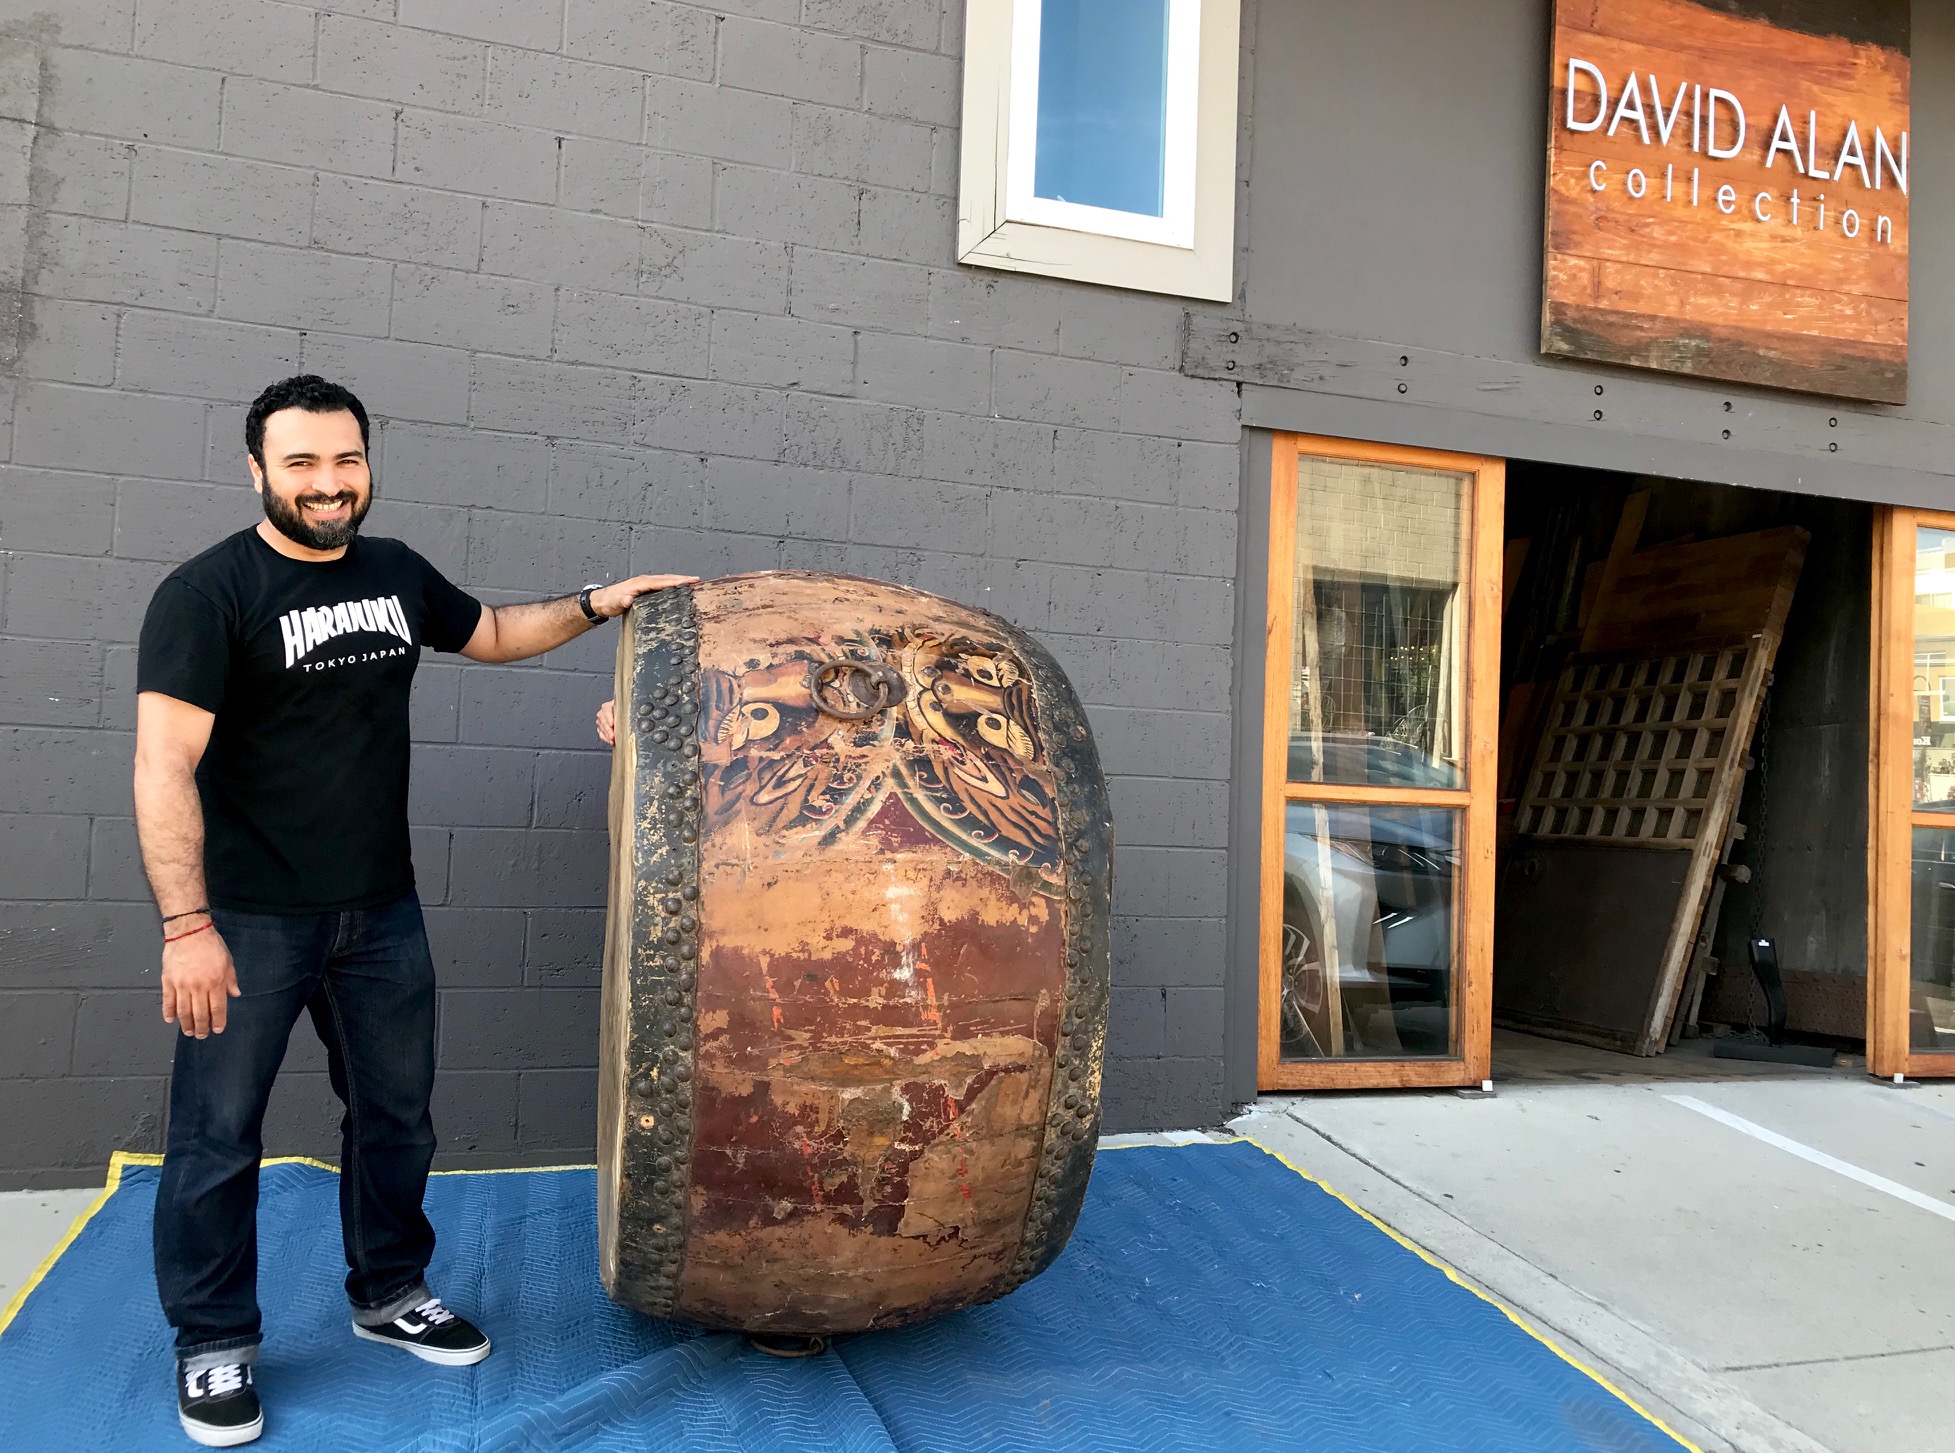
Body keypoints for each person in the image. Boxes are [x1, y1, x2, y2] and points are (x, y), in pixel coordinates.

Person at [134, 375, 694, 1447]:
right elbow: (163, 766)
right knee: (216, 1140)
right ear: (256, 470)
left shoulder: (393, 574)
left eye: (345, 460)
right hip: (245, 923)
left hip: (379, 916)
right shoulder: (208, 594)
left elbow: (488, 631)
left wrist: (595, 602)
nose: (327, 482)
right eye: (300, 463)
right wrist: (185, 927)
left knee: (396, 1120)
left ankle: (388, 1292)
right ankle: (213, 1342)